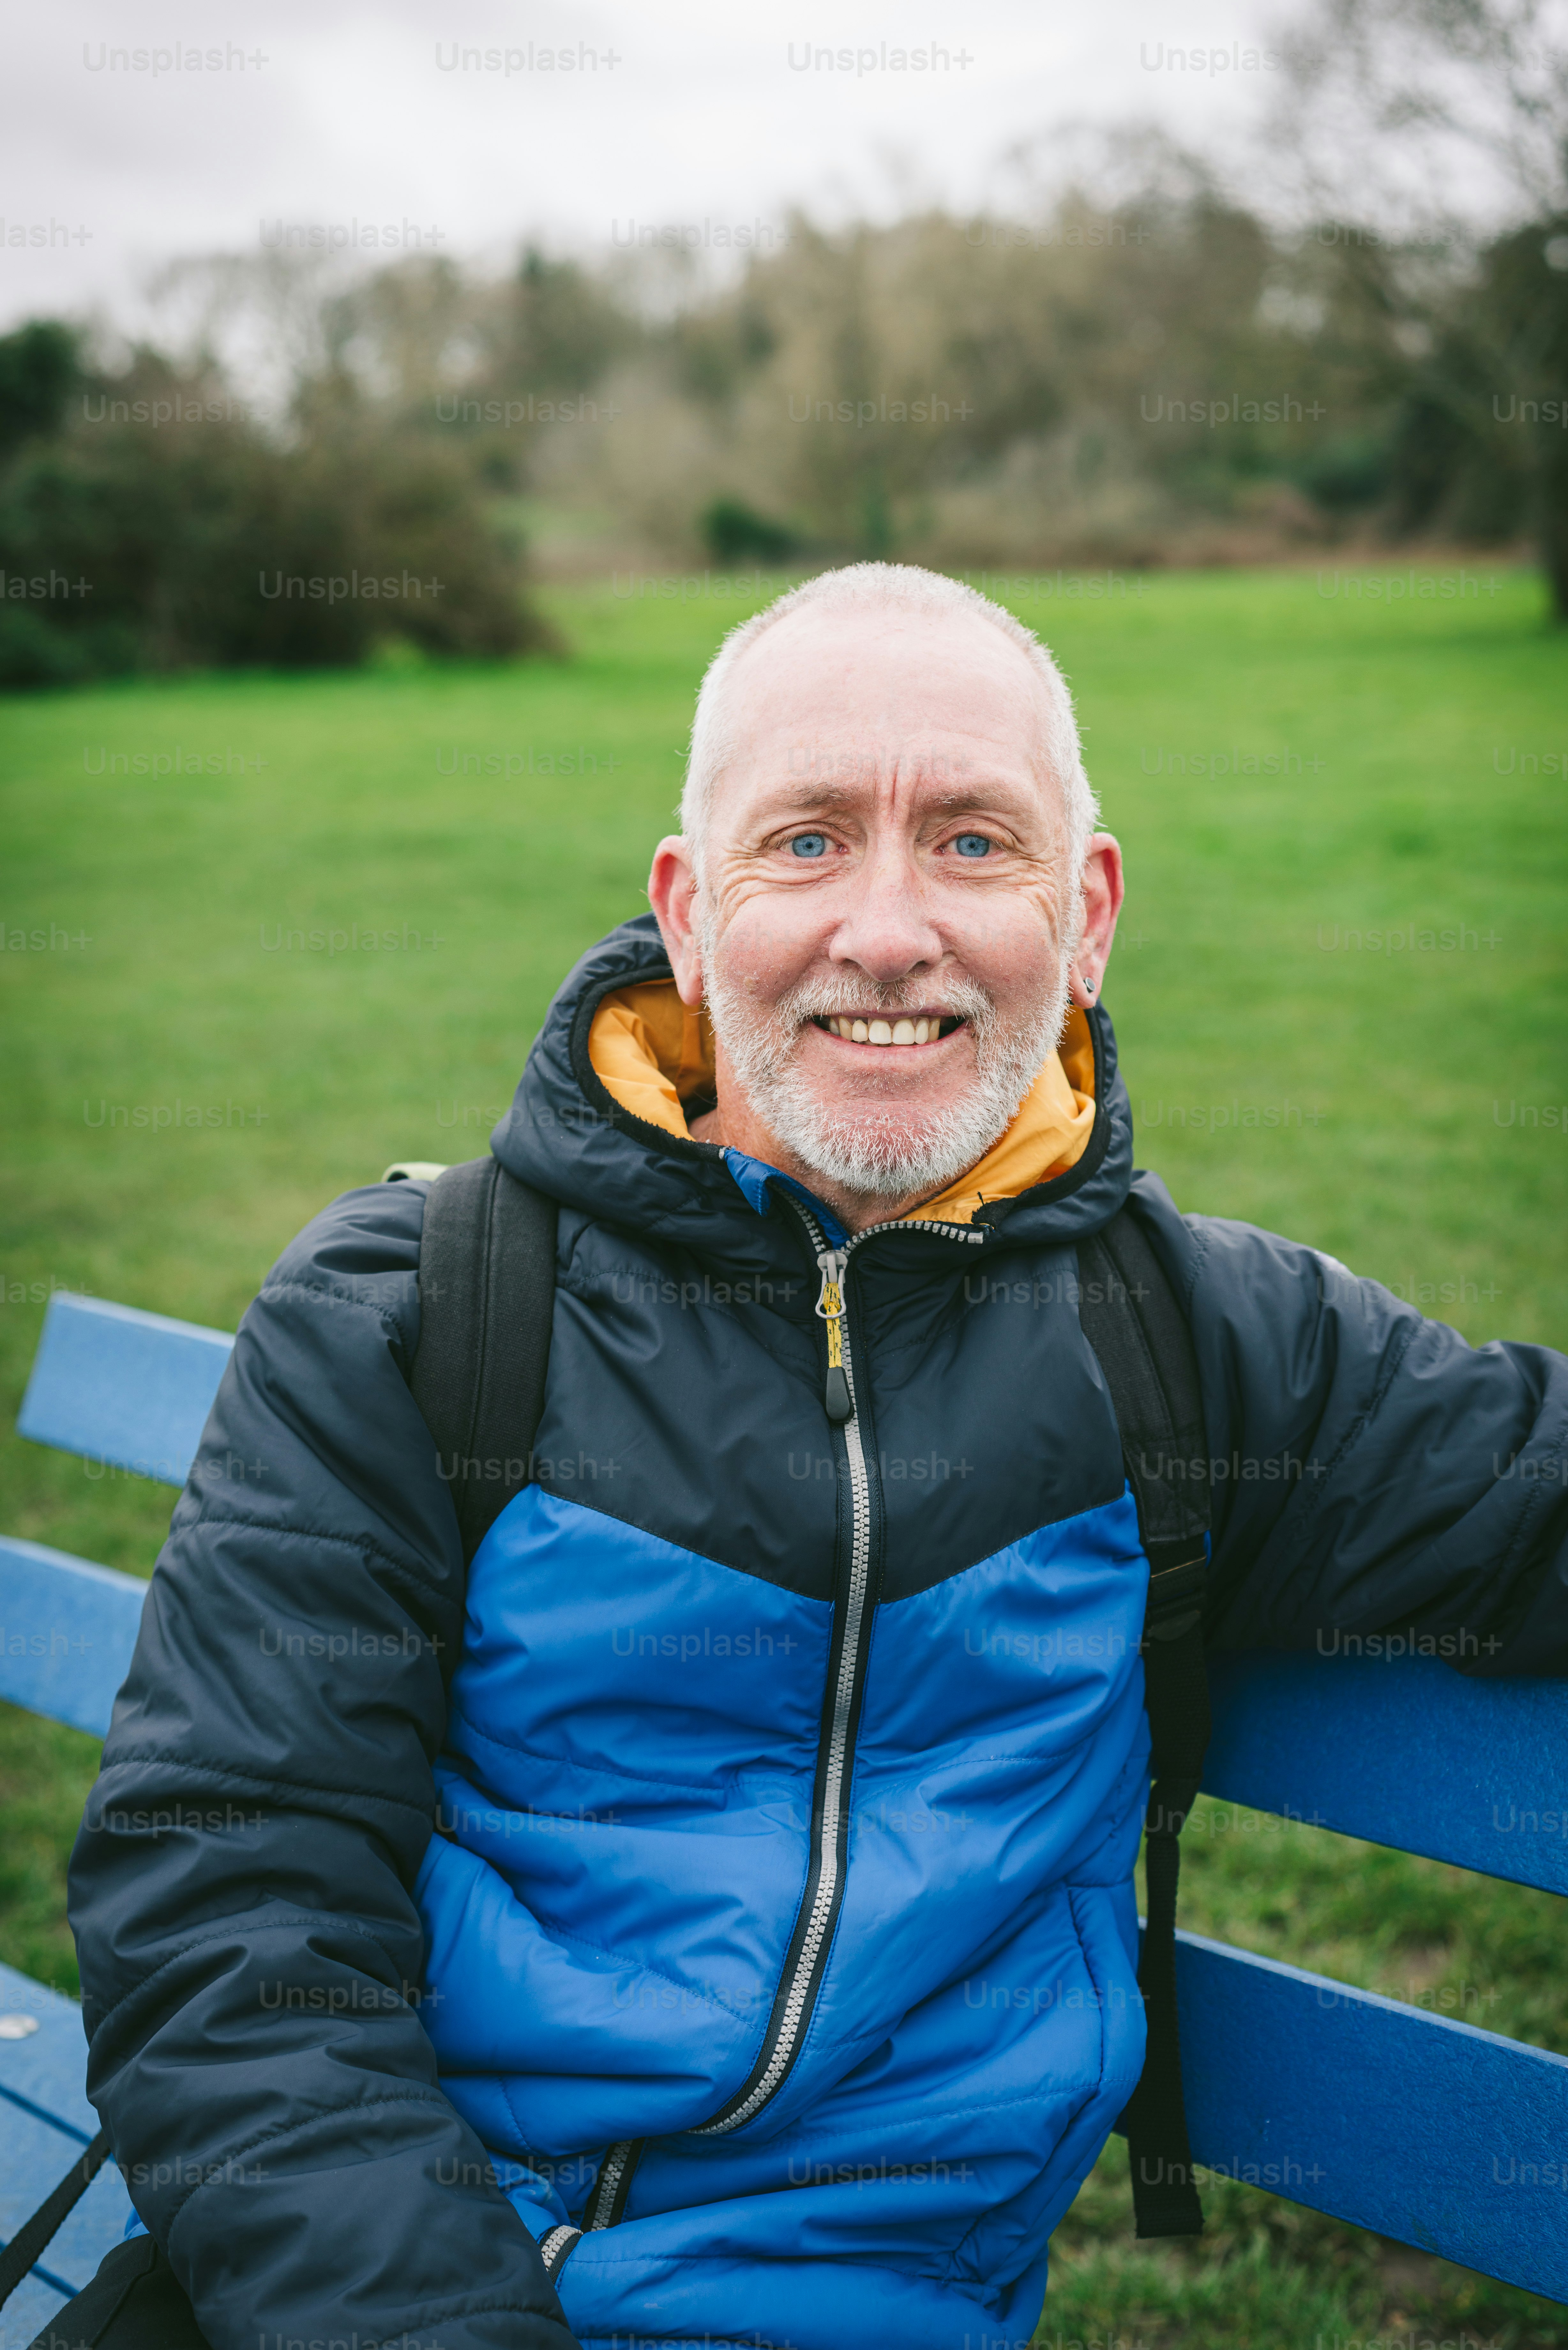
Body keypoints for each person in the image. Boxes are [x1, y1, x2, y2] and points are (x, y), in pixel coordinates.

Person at [55, 564, 1568, 2350]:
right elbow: (230, 1904)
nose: (888, 927)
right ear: (688, 916)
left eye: (974, 842)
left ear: (1086, 917)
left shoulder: (1205, 1342)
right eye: (807, 841)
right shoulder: (414, 1311)